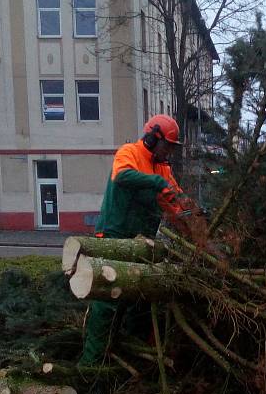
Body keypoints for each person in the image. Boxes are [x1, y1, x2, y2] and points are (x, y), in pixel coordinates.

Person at [79, 114, 206, 366]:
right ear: (152, 138)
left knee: (139, 301)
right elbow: (122, 177)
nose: (169, 151)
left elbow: (175, 201)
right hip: (114, 236)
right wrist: (156, 182)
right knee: (106, 303)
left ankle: (129, 358)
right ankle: (89, 366)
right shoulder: (130, 153)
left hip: (141, 242)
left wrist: (194, 215)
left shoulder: (162, 168)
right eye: (167, 145)